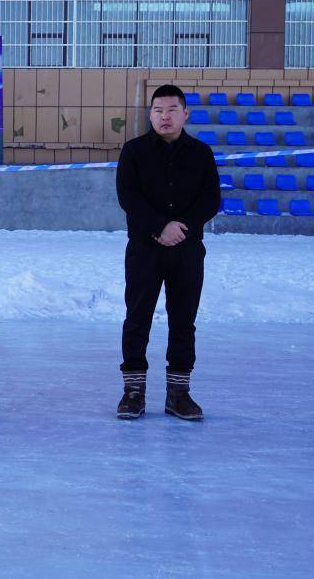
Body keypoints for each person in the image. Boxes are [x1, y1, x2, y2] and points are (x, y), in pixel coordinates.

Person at [115, 84, 220, 422]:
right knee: (137, 318)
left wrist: (181, 228)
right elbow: (128, 196)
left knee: (183, 320)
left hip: (187, 251)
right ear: (150, 114)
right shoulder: (133, 152)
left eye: (172, 109)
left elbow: (211, 199)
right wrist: (160, 227)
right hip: (144, 249)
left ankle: (179, 393)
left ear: (185, 113)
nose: (164, 116)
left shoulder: (201, 153)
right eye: (158, 110)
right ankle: (133, 392)